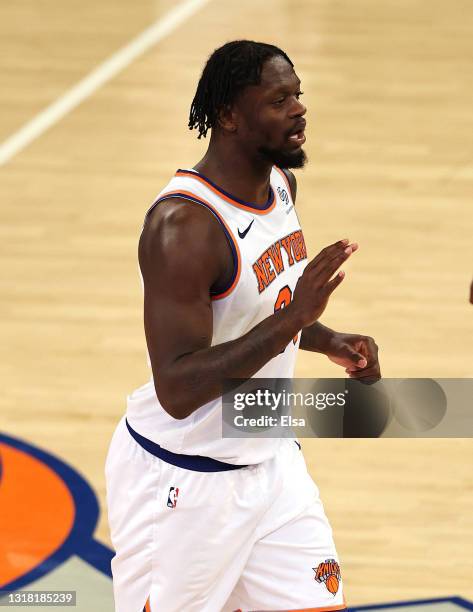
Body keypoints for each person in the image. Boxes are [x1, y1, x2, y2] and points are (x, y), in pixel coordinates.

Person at [105, 40, 381, 612]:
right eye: (279, 99)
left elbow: (267, 308)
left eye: (298, 95)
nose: (299, 109)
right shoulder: (183, 228)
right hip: (183, 480)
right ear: (229, 115)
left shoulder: (281, 185)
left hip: (270, 463)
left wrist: (329, 340)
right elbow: (178, 389)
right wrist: (294, 320)